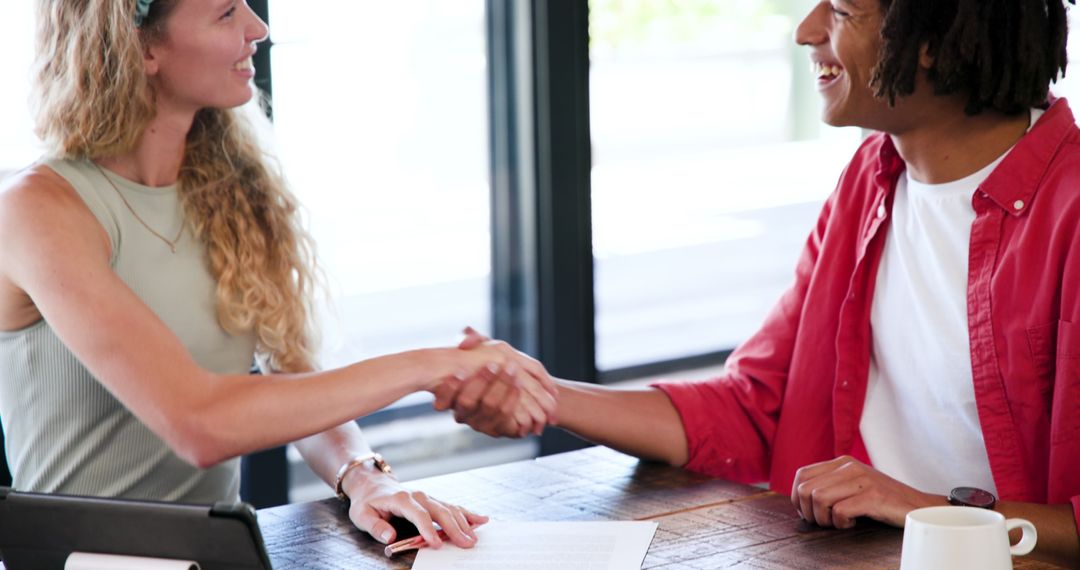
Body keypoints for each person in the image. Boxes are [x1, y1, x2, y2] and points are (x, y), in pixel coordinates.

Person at [439, 0, 1080, 565]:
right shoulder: (870, 179)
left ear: (932, 38)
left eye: (841, 10)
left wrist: (923, 509)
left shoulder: (1070, 211)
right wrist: (544, 394)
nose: (805, 31)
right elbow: (754, 408)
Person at [0, 0, 557, 550]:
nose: (257, 28)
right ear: (142, 46)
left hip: (215, 554)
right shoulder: (38, 210)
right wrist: (433, 367)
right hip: (77, 562)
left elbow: (294, 378)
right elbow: (200, 423)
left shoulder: (228, 186)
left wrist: (364, 476)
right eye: (226, 13)